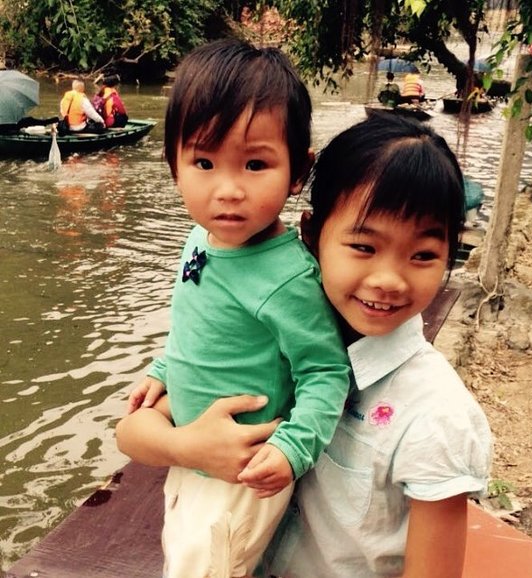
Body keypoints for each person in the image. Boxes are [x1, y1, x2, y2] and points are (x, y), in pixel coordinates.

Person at [116, 114, 493, 578]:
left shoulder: (436, 417)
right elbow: (132, 430)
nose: (388, 280)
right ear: (311, 235)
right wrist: (184, 445)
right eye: (363, 246)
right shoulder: (266, 337)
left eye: (423, 256)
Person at [122, 38, 351, 578]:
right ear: (173, 164)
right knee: (179, 551)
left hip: (240, 475)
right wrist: (166, 367)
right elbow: (196, 319)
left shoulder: (288, 277)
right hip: (194, 452)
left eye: (254, 164)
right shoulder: (200, 238)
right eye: (203, 161)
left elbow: (324, 370)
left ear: (298, 171)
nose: (227, 191)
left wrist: (293, 448)